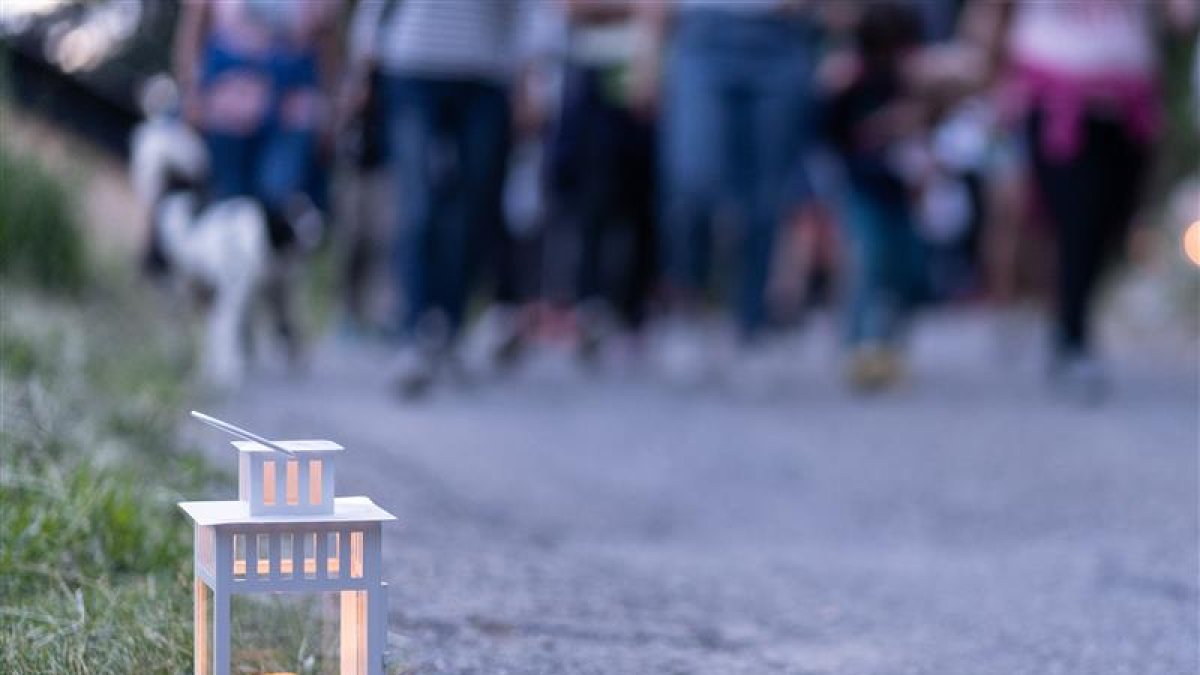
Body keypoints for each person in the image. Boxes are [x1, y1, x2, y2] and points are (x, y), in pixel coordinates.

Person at [349, 0, 535, 398]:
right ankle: (411, 333)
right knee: (417, 202)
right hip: (412, 64)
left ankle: (449, 328)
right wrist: (364, 61)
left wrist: (528, 76)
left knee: (471, 210)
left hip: (487, 71)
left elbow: (525, 10)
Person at [997, 1, 1171, 402]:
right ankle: (1072, 336)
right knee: (1077, 219)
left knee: (1114, 221)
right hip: (1056, 98)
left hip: (1130, 103)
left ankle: (1070, 323)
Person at [638, 0, 814, 386]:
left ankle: (750, 328)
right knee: (691, 182)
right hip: (701, 35)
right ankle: (686, 309)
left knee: (766, 200)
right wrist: (648, 52)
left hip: (779, 37)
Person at [543, 0, 659, 363]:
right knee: (590, 196)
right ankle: (589, 308)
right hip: (589, 71)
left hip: (653, 69)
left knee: (644, 200)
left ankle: (634, 315)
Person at [174, 0, 339, 247]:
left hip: (292, 112)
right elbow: (195, 22)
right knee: (227, 208)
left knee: (277, 203)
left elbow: (328, 37)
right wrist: (191, 91)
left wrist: (331, 109)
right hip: (225, 108)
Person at [824, 2, 929, 392]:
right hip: (862, 186)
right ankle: (860, 344)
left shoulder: (915, 85)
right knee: (868, 261)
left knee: (905, 266)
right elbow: (830, 135)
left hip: (903, 190)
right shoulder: (850, 82)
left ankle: (891, 343)